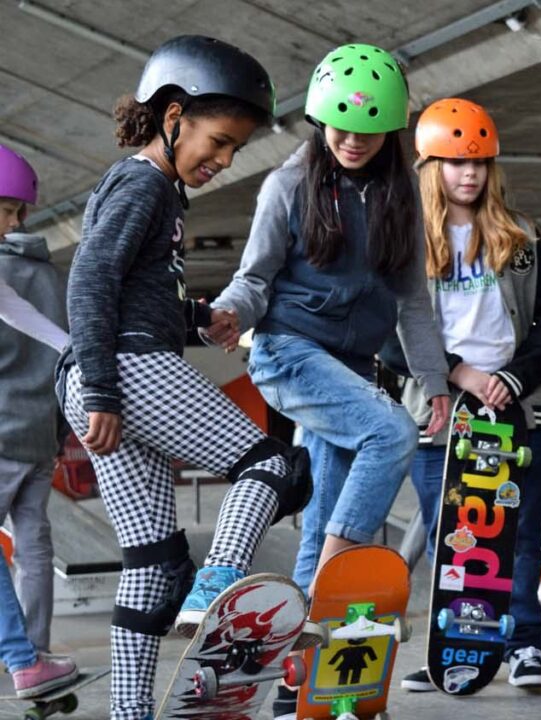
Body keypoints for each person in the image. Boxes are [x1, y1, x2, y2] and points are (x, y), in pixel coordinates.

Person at [56, 36, 312, 720]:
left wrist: (198, 317)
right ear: (174, 114)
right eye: (219, 141)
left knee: (154, 560)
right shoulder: (143, 183)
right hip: (125, 370)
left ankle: (131, 711)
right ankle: (219, 582)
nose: (222, 161)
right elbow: (90, 279)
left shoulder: (154, 190)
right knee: (274, 464)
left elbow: (135, 291)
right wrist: (105, 391)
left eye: (235, 149)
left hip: (108, 369)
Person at [197, 44, 450, 718]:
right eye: (340, 127)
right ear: (319, 121)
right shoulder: (287, 186)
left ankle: (295, 683)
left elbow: (414, 305)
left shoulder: (400, 198)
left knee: (321, 521)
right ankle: (345, 567)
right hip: (290, 354)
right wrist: (228, 314)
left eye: (367, 131)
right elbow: (254, 279)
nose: (352, 141)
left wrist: (438, 383)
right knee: (390, 431)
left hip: (352, 372)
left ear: (389, 131)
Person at [392, 97, 541, 692]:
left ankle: (524, 647)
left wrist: (514, 377)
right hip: (441, 409)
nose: (470, 174)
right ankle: (458, 649)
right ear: (429, 167)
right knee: (454, 540)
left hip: (514, 405)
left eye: (480, 163)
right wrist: (458, 373)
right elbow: (387, 335)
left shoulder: (519, 236)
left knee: (520, 533)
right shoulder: (405, 242)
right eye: (455, 162)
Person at [0, 143, 77, 698]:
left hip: (9, 428)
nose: (10, 224)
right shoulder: (50, 274)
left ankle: (26, 659)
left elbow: (16, 313)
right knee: (33, 544)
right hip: (32, 432)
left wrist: (75, 352)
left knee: (34, 543)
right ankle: (30, 653)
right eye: (3, 210)